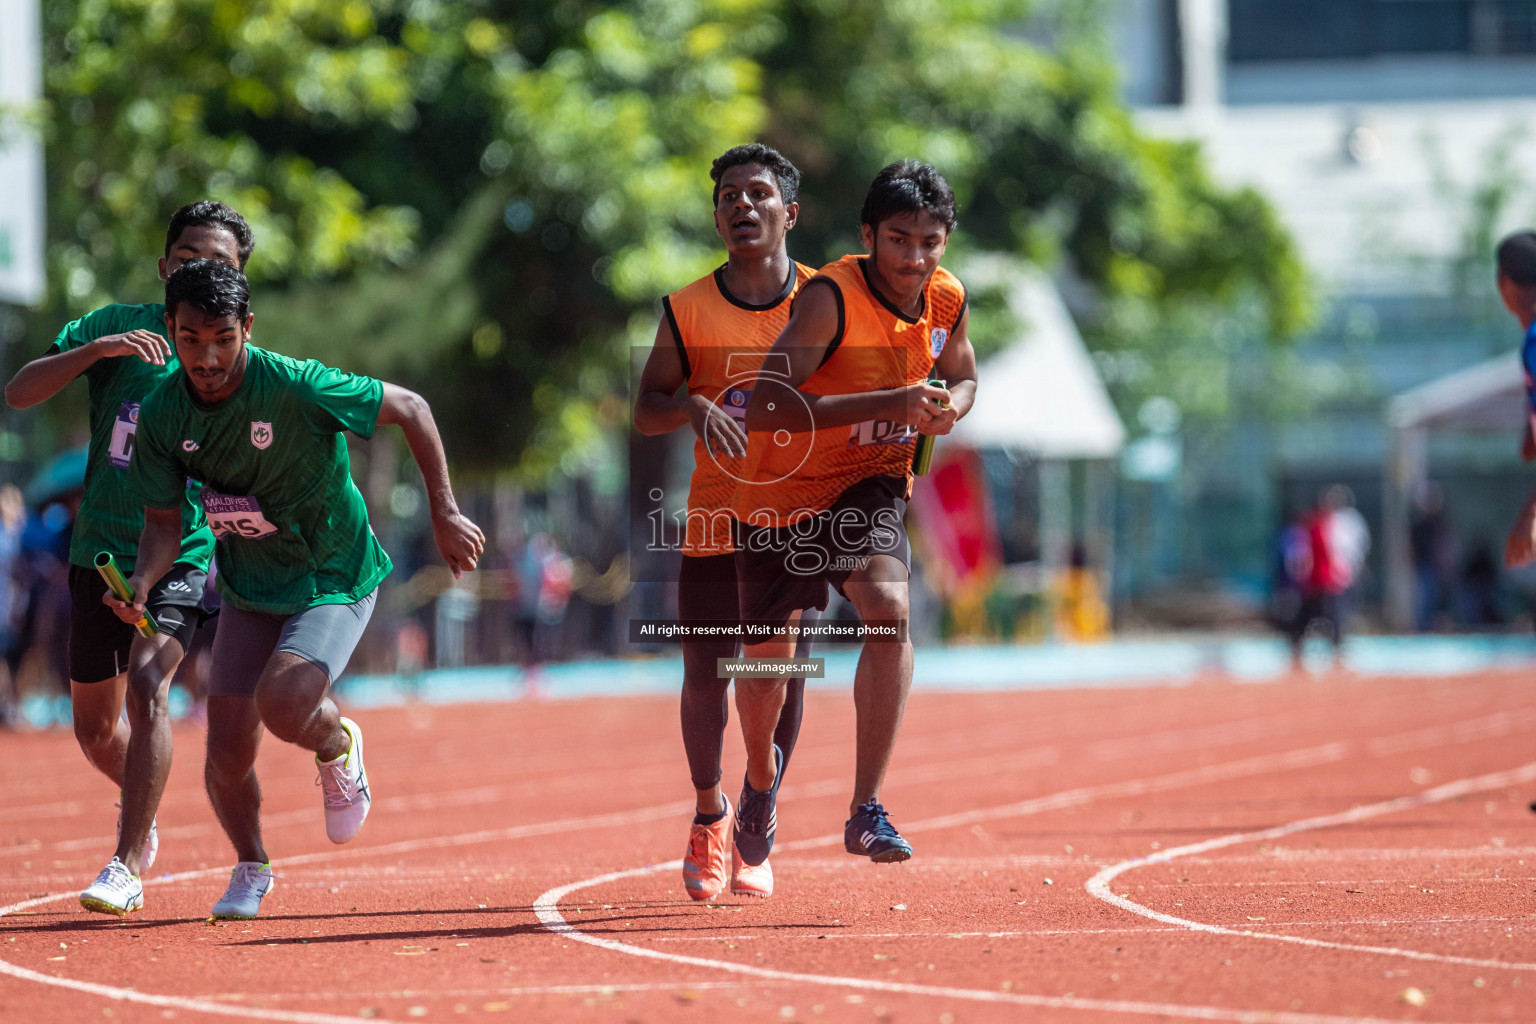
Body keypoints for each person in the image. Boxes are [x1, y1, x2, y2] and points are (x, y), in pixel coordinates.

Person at [107, 258, 484, 920]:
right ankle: (251, 866)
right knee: (224, 752)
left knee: (283, 702)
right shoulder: (163, 413)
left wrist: (445, 511)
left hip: (332, 572)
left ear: (247, 328)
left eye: (223, 337)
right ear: (170, 330)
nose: (208, 356)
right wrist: (142, 579)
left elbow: (413, 408)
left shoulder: (299, 385)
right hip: (252, 583)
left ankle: (336, 743)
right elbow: (164, 524)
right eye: (190, 339)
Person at [4, 201, 251, 915]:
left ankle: (126, 857)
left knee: (150, 688)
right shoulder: (118, 326)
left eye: (219, 261)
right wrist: (98, 352)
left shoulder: (235, 357)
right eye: (188, 256)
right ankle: (143, 812)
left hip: (178, 550)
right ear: (163, 263)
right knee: (94, 732)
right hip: (97, 552)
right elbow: (19, 392)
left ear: (240, 278)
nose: (200, 268)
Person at [734, 160, 977, 863]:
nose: (914, 258)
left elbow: (961, 372)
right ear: (868, 234)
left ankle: (866, 808)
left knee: (889, 608)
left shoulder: (947, 298)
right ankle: (758, 779)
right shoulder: (831, 298)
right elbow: (768, 403)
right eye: (899, 239)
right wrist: (891, 405)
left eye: (931, 242)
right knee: (767, 674)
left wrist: (949, 408)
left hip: (867, 487)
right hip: (779, 495)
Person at [634, 144, 817, 900]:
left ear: (790, 213)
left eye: (759, 194)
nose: (743, 206)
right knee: (707, 671)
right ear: (716, 218)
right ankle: (711, 813)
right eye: (730, 198)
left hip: (803, 518)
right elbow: (646, 410)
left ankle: (759, 803)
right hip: (715, 517)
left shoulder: (828, 301)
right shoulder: (686, 309)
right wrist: (693, 405)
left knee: (777, 668)